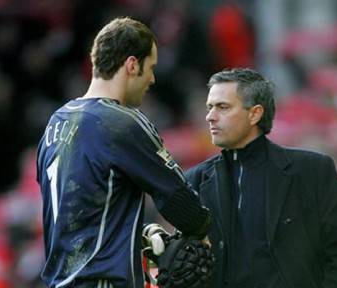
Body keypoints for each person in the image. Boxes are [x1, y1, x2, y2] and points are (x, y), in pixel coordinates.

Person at [36, 17, 212, 288]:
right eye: (150, 68)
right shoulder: (120, 121)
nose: (152, 79)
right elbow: (181, 203)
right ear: (132, 65)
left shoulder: (55, 122)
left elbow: (81, 214)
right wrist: (203, 231)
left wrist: (135, 236)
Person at [186, 68, 337, 288]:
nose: (210, 116)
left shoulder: (311, 170)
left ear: (255, 114)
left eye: (222, 107)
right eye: (209, 107)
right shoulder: (194, 181)